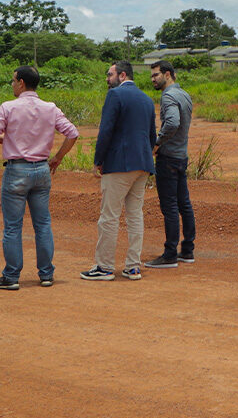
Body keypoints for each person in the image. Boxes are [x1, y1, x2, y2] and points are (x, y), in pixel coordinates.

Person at [0, 65, 80, 290]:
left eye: (13, 80)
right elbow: (72, 133)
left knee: (13, 227)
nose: (12, 84)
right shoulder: (50, 108)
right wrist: (58, 157)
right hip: (42, 170)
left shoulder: (8, 107)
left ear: (22, 83)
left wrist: (2, 140)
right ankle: (46, 274)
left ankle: (12, 276)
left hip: (17, 170)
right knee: (43, 224)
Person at [81, 60, 156, 281]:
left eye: (110, 74)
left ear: (122, 75)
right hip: (142, 164)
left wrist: (98, 160)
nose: (107, 78)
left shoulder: (115, 96)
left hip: (119, 164)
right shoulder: (147, 99)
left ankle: (104, 267)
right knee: (135, 216)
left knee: (109, 217)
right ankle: (133, 266)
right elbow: (152, 135)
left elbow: (106, 130)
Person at [144, 60, 196, 268]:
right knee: (184, 204)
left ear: (167, 74)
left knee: (170, 207)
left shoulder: (168, 96)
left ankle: (170, 253)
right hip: (181, 156)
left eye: (155, 75)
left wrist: (157, 143)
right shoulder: (184, 94)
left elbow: (172, 122)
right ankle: (188, 250)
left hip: (168, 158)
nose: (153, 79)